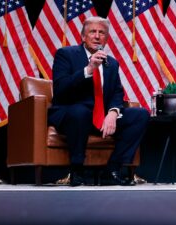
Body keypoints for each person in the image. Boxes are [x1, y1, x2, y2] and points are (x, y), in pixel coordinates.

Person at [48, 16, 149, 186]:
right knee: (80, 112)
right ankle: (77, 170)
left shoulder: (112, 63)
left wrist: (113, 112)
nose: (97, 36)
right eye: (92, 32)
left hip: (100, 116)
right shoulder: (66, 54)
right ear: (83, 37)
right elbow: (61, 89)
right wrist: (88, 69)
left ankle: (113, 169)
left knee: (140, 115)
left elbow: (117, 92)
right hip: (72, 112)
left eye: (101, 33)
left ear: (106, 39)